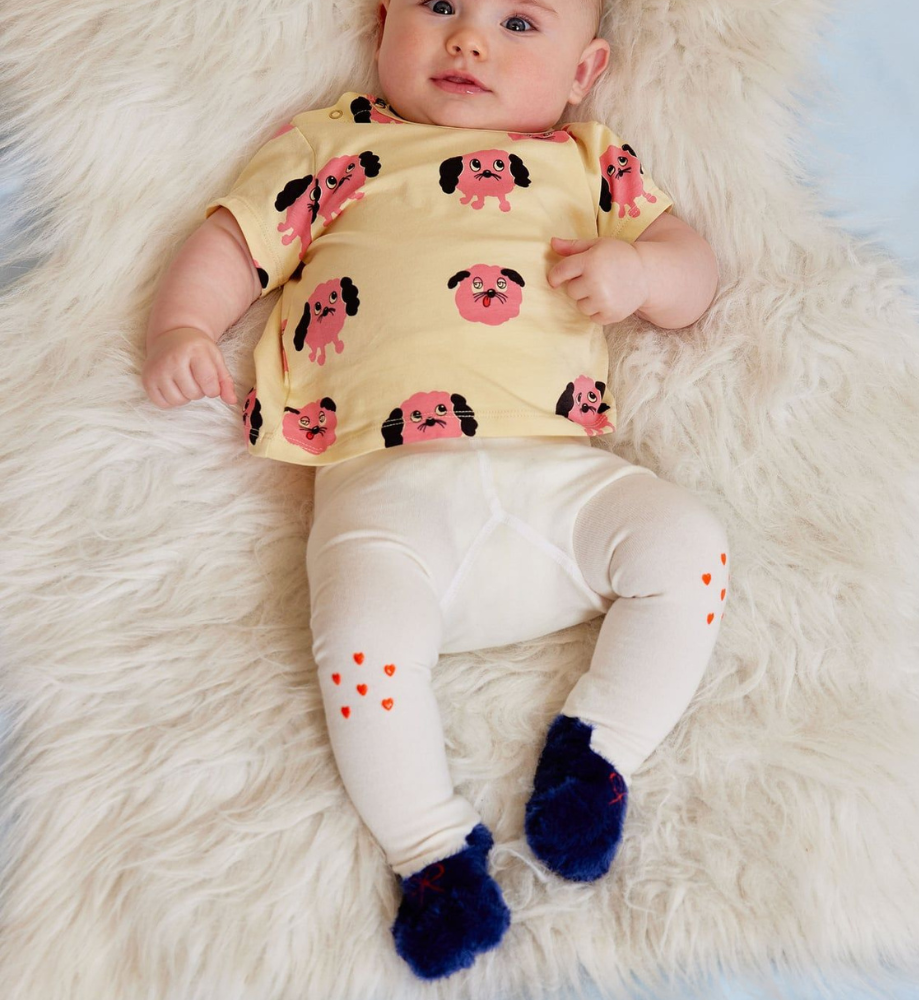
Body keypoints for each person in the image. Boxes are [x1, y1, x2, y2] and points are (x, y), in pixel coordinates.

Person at [142, 0, 728, 981]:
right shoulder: (336, 145)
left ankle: (597, 756)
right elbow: (234, 243)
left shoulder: (591, 162)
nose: (468, 40)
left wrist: (639, 274)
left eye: (519, 22)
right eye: (440, 6)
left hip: (559, 483)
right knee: (359, 645)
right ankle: (430, 852)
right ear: (383, 24)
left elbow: (693, 272)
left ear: (583, 72)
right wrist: (184, 326)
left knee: (688, 545)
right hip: (387, 498)